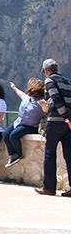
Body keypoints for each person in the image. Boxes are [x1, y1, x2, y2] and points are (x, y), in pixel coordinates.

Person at [35, 58, 71, 196]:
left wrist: (64, 116)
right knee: (69, 155)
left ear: (46, 71)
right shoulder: (67, 81)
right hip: (68, 124)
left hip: (56, 122)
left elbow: (56, 99)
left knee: (50, 154)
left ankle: (49, 188)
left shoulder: (50, 81)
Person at [3, 78, 45, 169]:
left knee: (13, 135)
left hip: (30, 126)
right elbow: (21, 94)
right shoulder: (28, 98)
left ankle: (19, 154)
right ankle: (12, 154)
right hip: (18, 122)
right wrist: (14, 88)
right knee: (6, 134)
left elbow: (47, 109)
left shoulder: (42, 101)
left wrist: (45, 106)